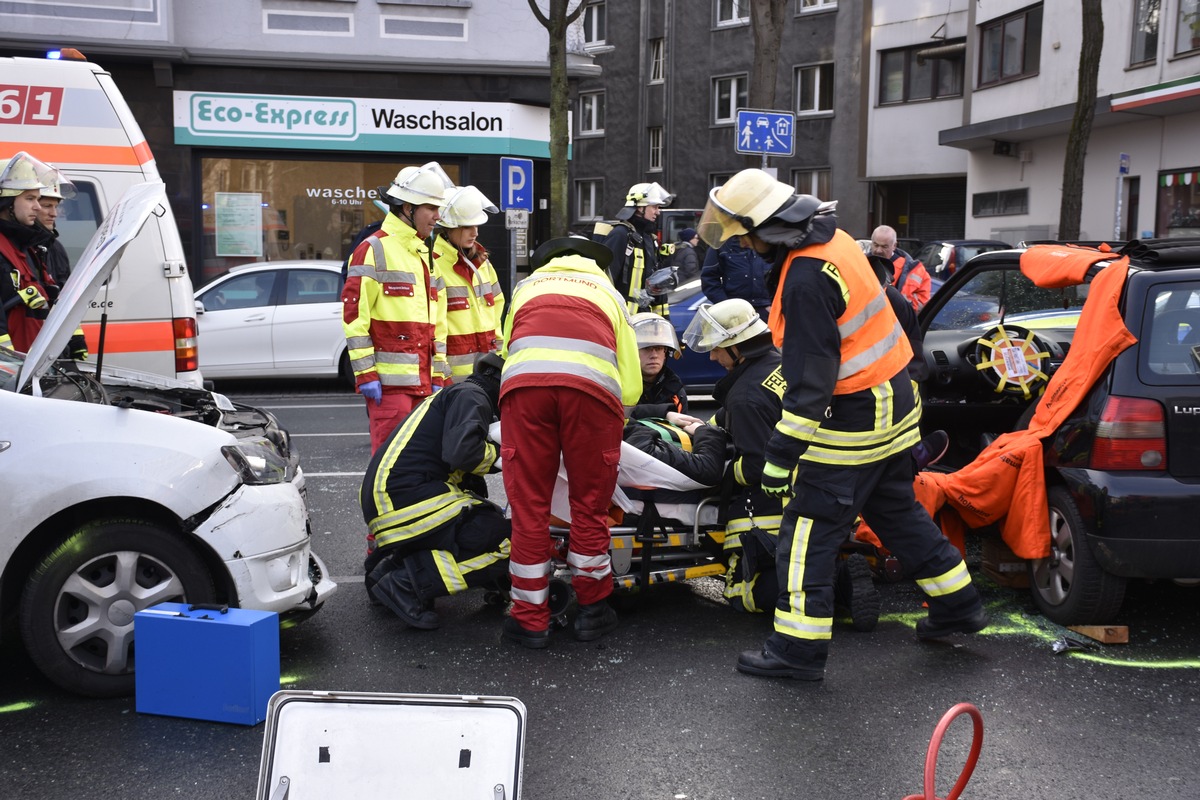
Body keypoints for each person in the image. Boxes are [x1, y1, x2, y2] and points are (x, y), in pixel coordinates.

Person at [696, 168, 986, 681]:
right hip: (896, 400)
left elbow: (810, 384)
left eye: (746, 236)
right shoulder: (835, 239)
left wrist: (780, 460)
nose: (745, 245)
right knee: (896, 511)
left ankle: (797, 651)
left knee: (807, 529)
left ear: (767, 229)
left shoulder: (806, 278)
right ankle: (959, 604)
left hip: (855, 416)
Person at [498, 236, 642, 649]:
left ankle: (529, 620)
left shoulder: (526, 289)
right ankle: (593, 611)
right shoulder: (611, 297)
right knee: (589, 505)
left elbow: (508, 347)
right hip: (592, 396)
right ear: (598, 266)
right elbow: (630, 382)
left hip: (525, 392)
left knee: (529, 508)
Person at [360, 353, 511, 630]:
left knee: (485, 519)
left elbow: (466, 475)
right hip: (406, 501)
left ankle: (389, 570)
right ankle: (406, 583)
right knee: (515, 539)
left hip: (393, 499)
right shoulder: (473, 397)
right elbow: (464, 453)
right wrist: (508, 455)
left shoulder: (460, 394)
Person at [681, 298, 784, 615]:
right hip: (823, 483)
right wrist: (702, 429)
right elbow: (728, 416)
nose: (712, 356)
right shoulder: (778, 365)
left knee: (741, 595)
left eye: (718, 348)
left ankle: (835, 581)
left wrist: (722, 473)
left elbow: (756, 467)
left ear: (739, 347)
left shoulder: (746, 396)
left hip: (775, 502)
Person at [342, 161, 454, 453]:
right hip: (389, 388)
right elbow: (355, 318)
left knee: (419, 464)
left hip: (425, 384)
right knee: (389, 465)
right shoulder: (373, 249)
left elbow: (438, 325)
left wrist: (438, 375)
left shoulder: (425, 255)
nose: (437, 216)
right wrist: (366, 374)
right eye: (431, 207)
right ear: (407, 208)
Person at [433, 185, 505, 382]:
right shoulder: (434, 265)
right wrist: (440, 374)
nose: (475, 233)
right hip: (455, 380)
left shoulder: (483, 265)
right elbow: (433, 328)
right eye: (467, 226)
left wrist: (500, 359)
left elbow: (496, 314)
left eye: (476, 226)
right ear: (449, 227)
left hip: (489, 373)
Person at [0, 152, 57, 353]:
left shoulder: (27, 247)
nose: (37, 206)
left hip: (28, 369)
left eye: (38, 199)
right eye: (30, 198)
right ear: (6, 202)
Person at [31, 164, 87, 360]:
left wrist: (76, 339)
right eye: (47, 206)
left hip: (54, 348)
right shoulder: (22, 248)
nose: (54, 213)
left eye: (57, 206)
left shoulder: (56, 248)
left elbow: (65, 298)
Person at [598, 181, 674, 317]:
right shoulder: (621, 235)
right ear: (640, 207)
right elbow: (605, 280)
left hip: (645, 321)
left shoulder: (650, 239)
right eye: (655, 207)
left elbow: (655, 285)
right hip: (621, 319)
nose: (658, 212)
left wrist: (663, 321)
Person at [628, 311, 694, 422]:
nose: (654, 355)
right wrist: (665, 414)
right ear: (631, 351)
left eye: (658, 348)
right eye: (646, 348)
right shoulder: (620, 387)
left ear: (665, 353)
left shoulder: (675, 391)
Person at [700, 236, 773, 323]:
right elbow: (709, 279)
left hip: (768, 311)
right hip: (734, 315)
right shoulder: (722, 244)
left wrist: (776, 307)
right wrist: (729, 309)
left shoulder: (770, 240)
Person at [869, 224, 931, 313]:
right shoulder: (862, 263)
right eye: (875, 245)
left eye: (884, 247)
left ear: (894, 246)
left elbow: (922, 302)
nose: (878, 250)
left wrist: (897, 304)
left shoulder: (915, 270)